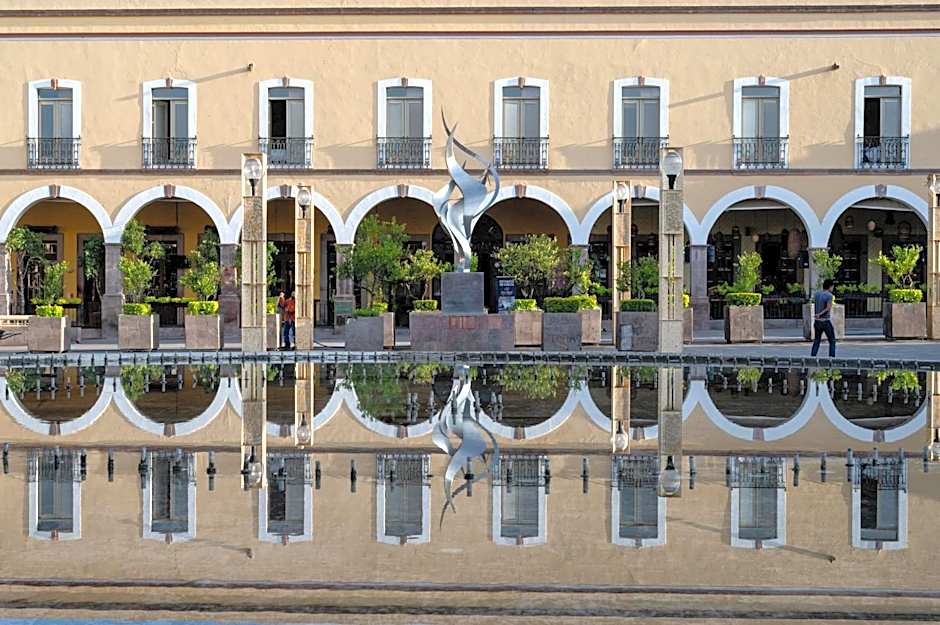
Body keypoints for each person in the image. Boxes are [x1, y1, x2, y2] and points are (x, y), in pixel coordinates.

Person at [811, 279, 836, 357]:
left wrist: (817, 315)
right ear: (830, 286)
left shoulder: (817, 294)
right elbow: (828, 308)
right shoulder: (829, 296)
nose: (833, 289)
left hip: (817, 321)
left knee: (817, 340)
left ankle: (813, 356)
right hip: (825, 321)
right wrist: (820, 314)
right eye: (832, 287)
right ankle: (831, 358)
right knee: (832, 341)